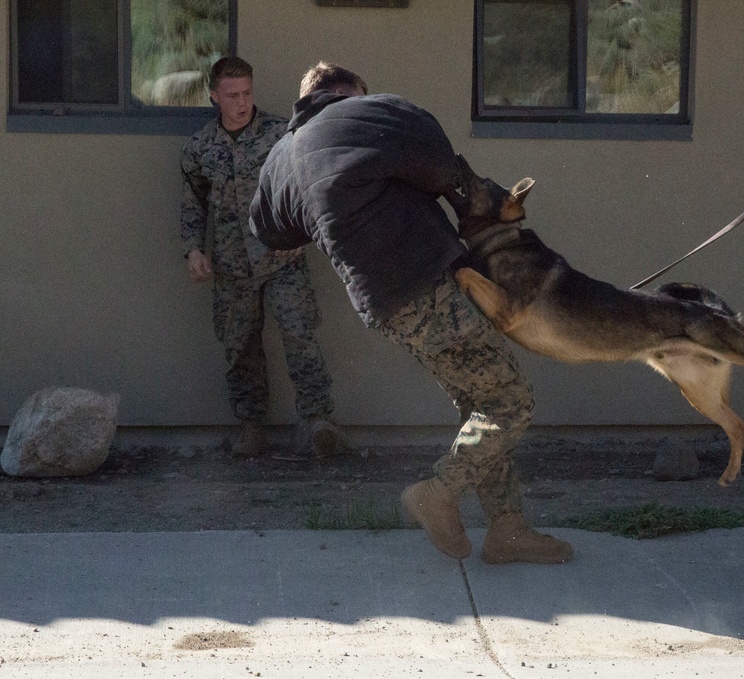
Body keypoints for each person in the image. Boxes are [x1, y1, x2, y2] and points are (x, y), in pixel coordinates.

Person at [250, 62, 572, 564]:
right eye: (361, 94)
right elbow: (437, 156)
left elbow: (268, 228)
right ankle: (439, 493)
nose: (366, 100)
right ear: (343, 93)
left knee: (479, 402)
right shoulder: (360, 115)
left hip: (385, 307)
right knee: (511, 402)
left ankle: (508, 530)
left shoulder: (281, 158)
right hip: (428, 285)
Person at [180, 56, 347, 459]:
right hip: (232, 266)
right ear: (214, 97)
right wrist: (192, 249)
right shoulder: (200, 148)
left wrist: (302, 235)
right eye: (232, 95)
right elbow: (192, 203)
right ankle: (251, 426)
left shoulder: (281, 135)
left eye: (247, 93)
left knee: (300, 336)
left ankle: (318, 422)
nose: (242, 102)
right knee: (240, 347)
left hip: (282, 258)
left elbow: (308, 188)